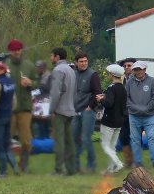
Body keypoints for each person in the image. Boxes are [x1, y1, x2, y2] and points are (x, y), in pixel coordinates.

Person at [5, 38, 37, 172]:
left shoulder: (29, 65)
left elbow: (39, 84)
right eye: (14, 50)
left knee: (26, 140)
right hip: (9, 108)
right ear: (10, 51)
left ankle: (23, 164)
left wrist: (30, 82)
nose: (17, 52)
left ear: (21, 50)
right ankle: (7, 164)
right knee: (6, 137)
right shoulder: (5, 66)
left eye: (18, 49)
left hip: (25, 107)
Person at [126, 61, 154, 168]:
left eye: (140, 69)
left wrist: (146, 108)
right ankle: (137, 162)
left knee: (151, 138)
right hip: (134, 116)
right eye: (136, 69)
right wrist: (136, 108)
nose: (138, 71)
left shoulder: (152, 81)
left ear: (145, 69)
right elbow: (126, 98)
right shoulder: (129, 82)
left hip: (149, 116)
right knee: (135, 139)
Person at [49, 47, 77, 176]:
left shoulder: (58, 70)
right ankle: (71, 168)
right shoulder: (71, 70)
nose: (51, 58)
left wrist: (51, 109)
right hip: (70, 108)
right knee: (69, 140)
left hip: (60, 109)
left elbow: (55, 92)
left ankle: (58, 169)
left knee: (59, 140)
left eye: (52, 56)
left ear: (57, 57)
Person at [72, 52, 102, 173]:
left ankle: (91, 165)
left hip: (87, 111)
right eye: (81, 61)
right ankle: (75, 166)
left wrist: (90, 107)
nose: (84, 63)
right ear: (76, 62)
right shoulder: (73, 75)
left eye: (85, 61)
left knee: (86, 138)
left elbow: (98, 93)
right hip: (75, 110)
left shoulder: (93, 75)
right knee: (74, 138)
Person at [96, 64, 127, 175]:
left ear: (112, 75)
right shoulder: (123, 88)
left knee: (105, 146)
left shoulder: (111, 88)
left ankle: (118, 164)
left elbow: (109, 104)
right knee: (112, 146)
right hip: (119, 121)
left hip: (109, 121)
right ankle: (110, 169)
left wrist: (101, 100)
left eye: (109, 73)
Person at [118, 57, 137, 167]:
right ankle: (128, 160)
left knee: (135, 137)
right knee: (123, 136)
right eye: (124, 66)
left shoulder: (138, 78)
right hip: (123, 111)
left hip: (135, 111)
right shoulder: (120, 79)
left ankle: (135, 160)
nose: (126, 68)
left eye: (129, 65)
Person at [33, 60, 51, 139]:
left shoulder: (47, 75)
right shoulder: (38, 76)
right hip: (38, 101)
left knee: (43, 121)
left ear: (43, 67)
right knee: (40, 120)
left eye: (39, 67)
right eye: (37, 67)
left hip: (45, 101)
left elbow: (44, 89)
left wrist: (32, 93)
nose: (37, 69)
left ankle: (44, 138)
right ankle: (42, 138)